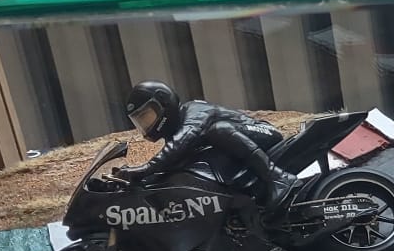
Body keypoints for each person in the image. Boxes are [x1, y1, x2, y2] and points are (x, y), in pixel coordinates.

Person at [115, 81, 302, 215]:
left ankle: (278, 177)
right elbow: (170, 162)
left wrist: (145, 168)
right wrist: (134, 181)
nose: (146, 126)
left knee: (218, 130)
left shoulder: (194, 111)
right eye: (140, 122)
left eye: (147, 116)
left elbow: (183, 139)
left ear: (163, 102)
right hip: (241, 162)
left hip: (265, 133)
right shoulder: (175, 137)